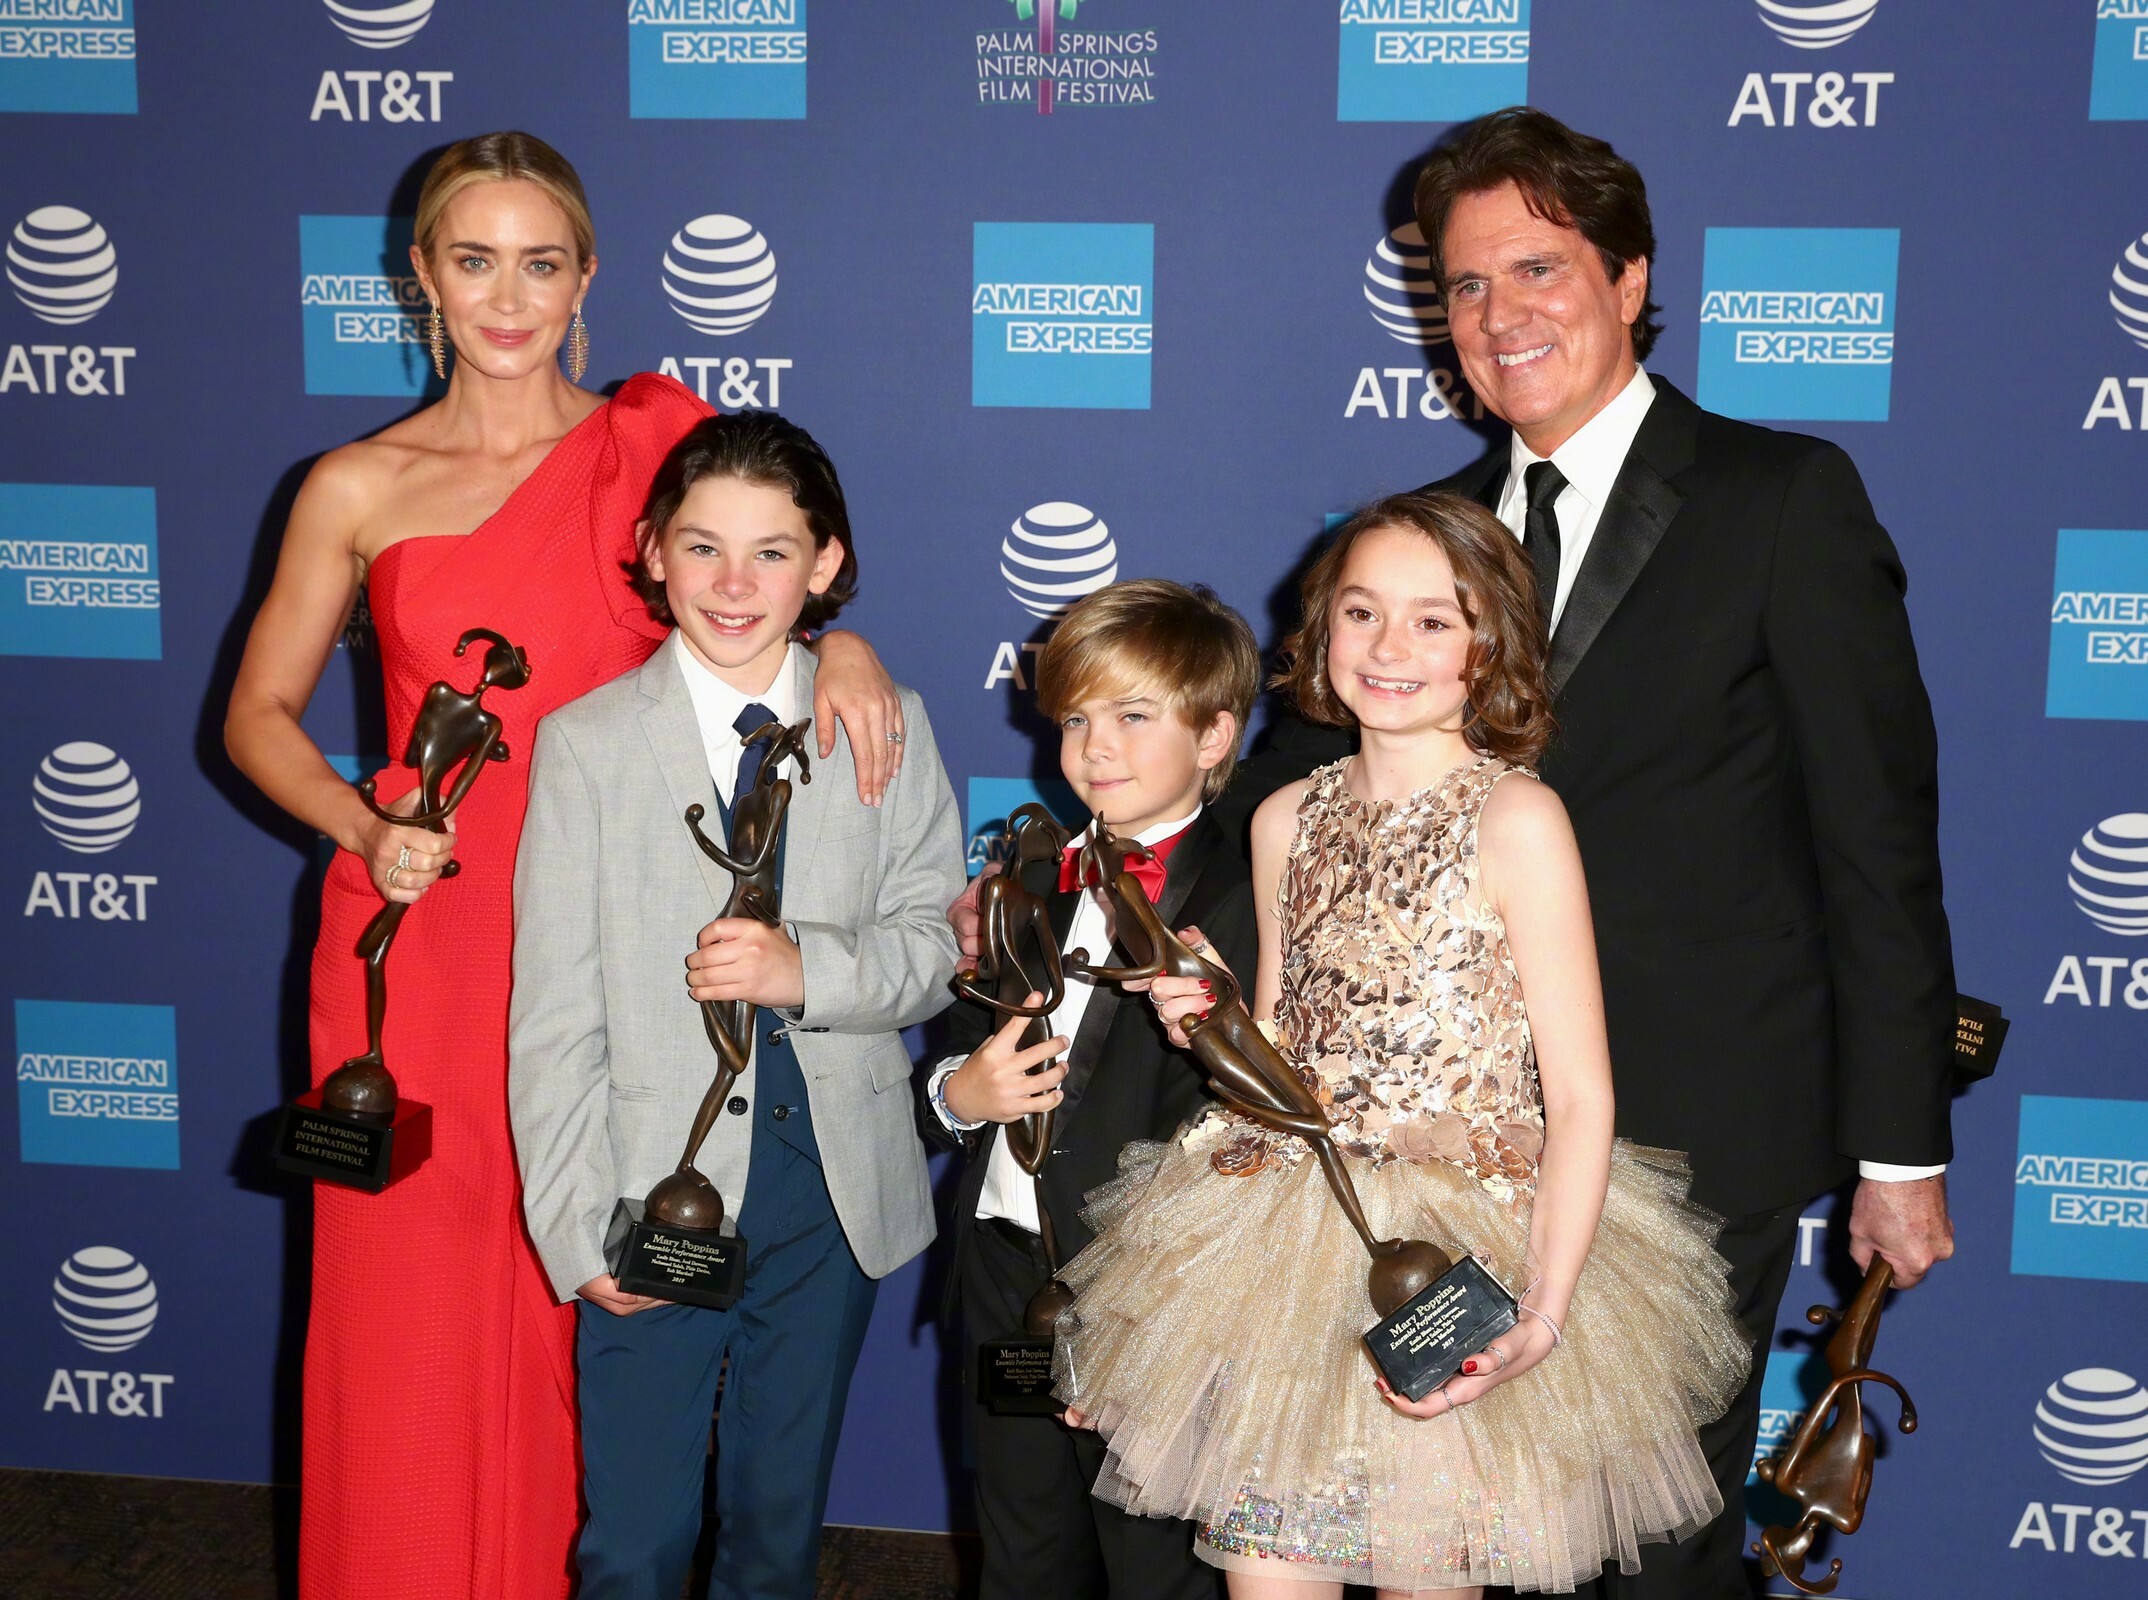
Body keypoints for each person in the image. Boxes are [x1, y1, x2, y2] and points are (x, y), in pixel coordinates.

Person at [1217, 108, 1958, 1596]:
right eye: (1466, 284)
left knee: (1653, 1554)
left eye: (1539, 269)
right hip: (1443, 1146)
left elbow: (1877, 835)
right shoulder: (1422, 543)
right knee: (1445, 1536)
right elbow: (1291, 791)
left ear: (1629, 278)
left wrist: (1901, 1148)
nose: (1501, 314)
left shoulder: (1780, 499)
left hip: (1695, 1131)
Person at [223, 133, 907, 1600]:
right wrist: (365, 828)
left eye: (540, 263)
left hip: (628, 932)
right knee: (412, 1315)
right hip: (431, 935)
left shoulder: (656, 442)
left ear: (586, 278)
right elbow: (257, 716)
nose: (507, 297)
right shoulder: (353, 483)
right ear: (421, 274)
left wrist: (845, 644)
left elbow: (774, 557)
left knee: (597, 1297)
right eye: (474, 260)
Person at [1053, 494, 1747, 1596]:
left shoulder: (1517, 820)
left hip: (1459, 1254)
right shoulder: (1284, 818)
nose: (1389, 647)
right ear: (1322, 627)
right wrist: (1216, 1019)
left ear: (1490, 643)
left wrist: (1544, 1313)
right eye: (1363, 611)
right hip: (1282, 1246)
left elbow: (1580, 1098)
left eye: (1434, 621)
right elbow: (1283, 1060)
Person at [508, 410, 965, 1600]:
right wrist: (572, 1227)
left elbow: (933, 953)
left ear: (824, 564)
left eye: (772, 552)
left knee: (776, 1526)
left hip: (830, 1192)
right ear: (653, 549)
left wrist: (804, 970)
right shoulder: (587, 744)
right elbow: (553, 1009)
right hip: (648, 1187)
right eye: (703, 547)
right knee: (634, 1536)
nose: (732, 583)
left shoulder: (888, 723)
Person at [924, 580, 1263, 1600]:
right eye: (1075, 719)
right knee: (1021, 1555)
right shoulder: (1027, 876)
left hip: (1147, 1295)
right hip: (1005, 1273)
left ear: (1214, 736)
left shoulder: (1247, 896)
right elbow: (953, 1054)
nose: (1095, 746)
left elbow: (1241, 1122)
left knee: (1156, 1566)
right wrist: (960, 1093)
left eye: (1132, 716)